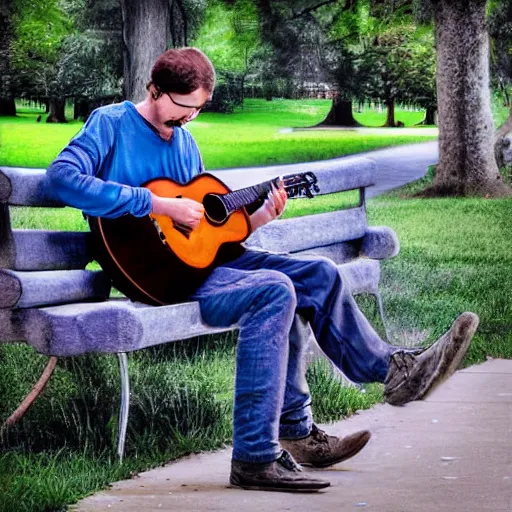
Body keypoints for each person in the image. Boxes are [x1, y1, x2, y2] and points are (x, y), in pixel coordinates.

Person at [46, 47, 479, 493]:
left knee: (318, 274)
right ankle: (254, 457)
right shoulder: (111, 124)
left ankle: (391, 375)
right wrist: (154, 202)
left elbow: (207, 235)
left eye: (198, 109)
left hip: (203, 264)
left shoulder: (185, 143)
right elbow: (61, 178)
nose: (189, 119)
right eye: (182, 108)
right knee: (274, 291)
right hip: (155, 274)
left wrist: (256, 219)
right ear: (154, 90)